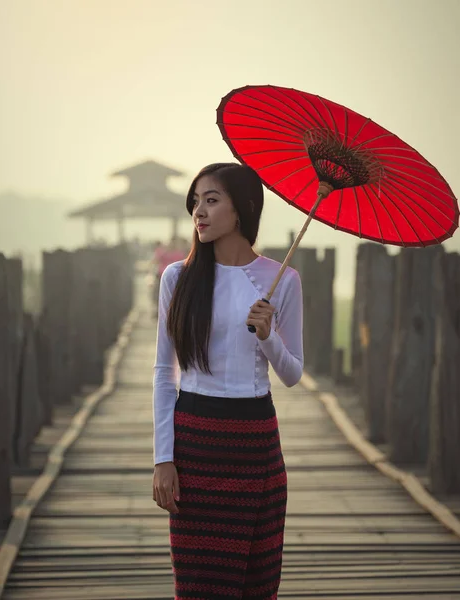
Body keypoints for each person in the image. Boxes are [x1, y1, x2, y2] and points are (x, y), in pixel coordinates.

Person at [152, 163, 304, 599]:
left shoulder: (283, 280)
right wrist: (164, 458)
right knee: (201, 586)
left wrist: (268, 335)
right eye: (195, 201)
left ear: (242, 210)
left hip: (257, 448)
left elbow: (292, 374)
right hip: (195, 445)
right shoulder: (177, 278)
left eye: (212, 200)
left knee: (257, 587)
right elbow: (165, 373)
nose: (199, 211)